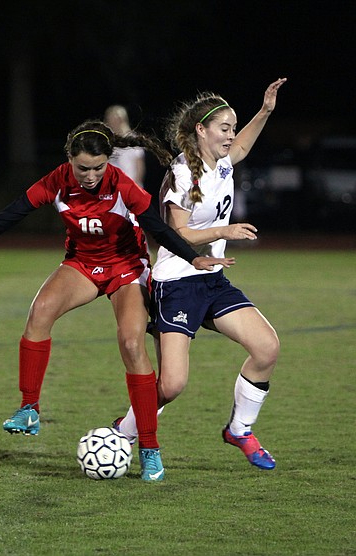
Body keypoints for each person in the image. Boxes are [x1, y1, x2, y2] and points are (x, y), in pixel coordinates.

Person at [0, 120, 235, 481]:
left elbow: (157, 228)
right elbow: (5, 218)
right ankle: (29, 408)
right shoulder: (56, 182)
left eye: (98, 167)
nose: (91, 175)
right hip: (82, 265)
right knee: (40, 311)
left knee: (130, 344)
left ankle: (149, 448)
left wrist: (192, 258)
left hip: (127, 269)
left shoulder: (121, 184)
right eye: (83, 168)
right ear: (69, 160)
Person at [113, 78, 287, 470]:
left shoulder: (222, 162)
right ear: (201, 130)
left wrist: (265, 112)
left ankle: (239, 429)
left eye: (232, 127)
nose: (230, 136)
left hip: (211, 279)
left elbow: (242, 146)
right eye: (224, 128)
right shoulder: (182, 174)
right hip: (177, 283)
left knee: (267, 348)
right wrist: (225, 231)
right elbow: (179, 232)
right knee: (172, 385)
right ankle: (121, 434)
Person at [104, 105, 146, 187]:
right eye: (111, 120)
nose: (114, 123)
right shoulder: (105, 141)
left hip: (131, 185)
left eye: (117, 120)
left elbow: (139, 165)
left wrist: (135, 185)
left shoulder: (133, 139)